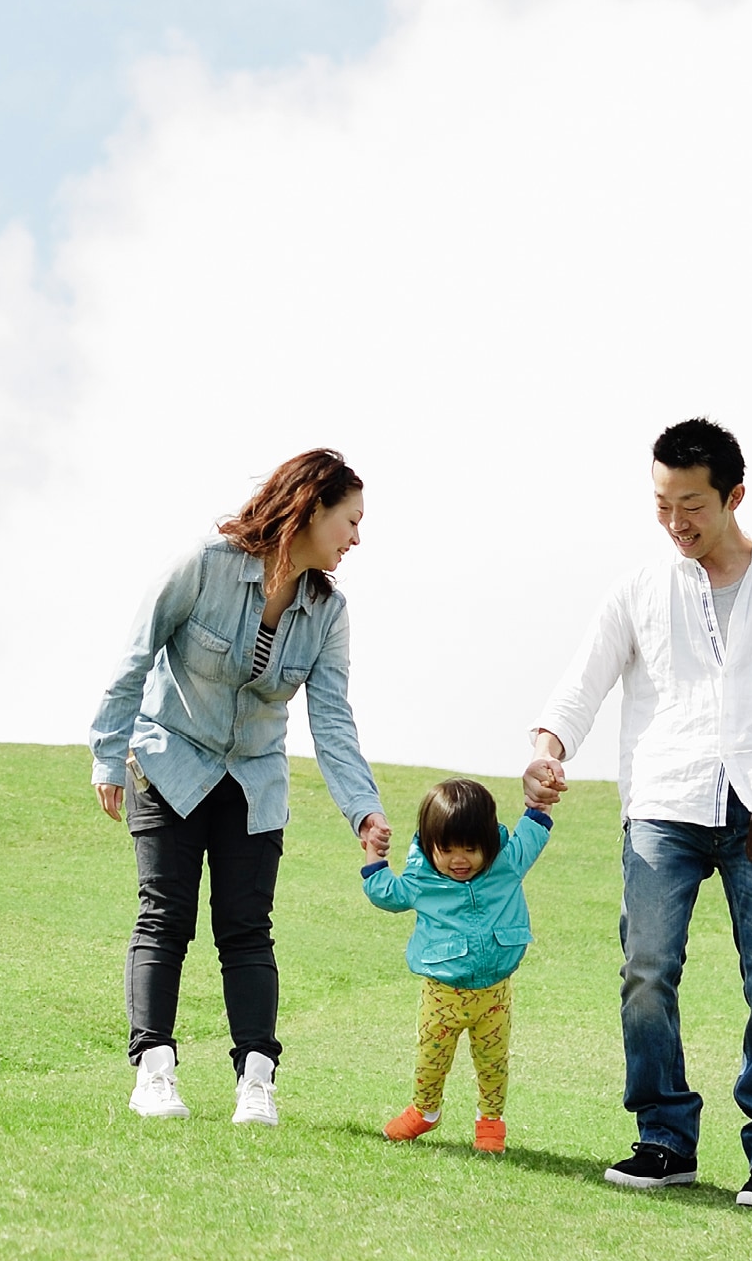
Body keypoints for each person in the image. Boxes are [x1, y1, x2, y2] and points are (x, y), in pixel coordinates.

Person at [523, 418, 752, 1214]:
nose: (675, 521)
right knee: (646, 972)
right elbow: (581, 684)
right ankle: (665, 1139)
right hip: (663, 803)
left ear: (735, 496)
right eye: (662, 504)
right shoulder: (638, 590)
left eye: (693, 505)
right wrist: (546, 749)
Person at [92, 450, 394, 1127]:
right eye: (350, 520)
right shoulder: (205, 564)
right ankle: (154, 1072)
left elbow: (332, 717)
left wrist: (362, 808)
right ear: (311, 508)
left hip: (254, 780)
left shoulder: (328, 611)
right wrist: (108, 755)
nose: (356, 538)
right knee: (164, 918)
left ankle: (256, 1083)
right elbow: (137, 654)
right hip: (169, 761)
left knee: (247, 930)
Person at [362, 777, 554, 1154]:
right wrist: (374, 856)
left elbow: (534, 831)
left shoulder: (507, 863)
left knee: (493, 1063)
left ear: (489, 842)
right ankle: (425, 1111)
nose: (459, 860)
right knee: (431, 1059)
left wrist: (542, 797)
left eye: (471, 848)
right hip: (442, 996)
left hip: (494, 996)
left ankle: (490, 1121)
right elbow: (387, 894)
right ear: (430, 845)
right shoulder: (422, 880)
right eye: (447, 849)